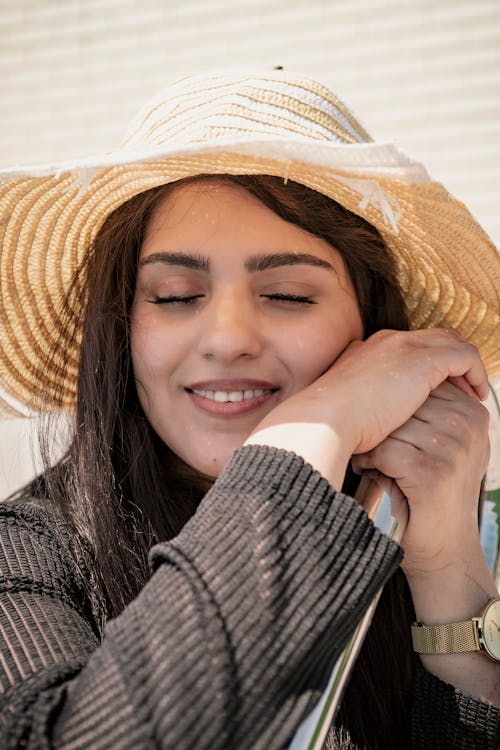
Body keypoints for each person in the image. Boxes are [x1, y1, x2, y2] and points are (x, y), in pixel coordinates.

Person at [0, 70, 499, 749]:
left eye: (290, 294)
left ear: (373, 327)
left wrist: (448, 579)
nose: (229, 339)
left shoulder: (466, 529)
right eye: (174, 295)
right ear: (120, 329)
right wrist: (310, 428)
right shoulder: (25, 551)